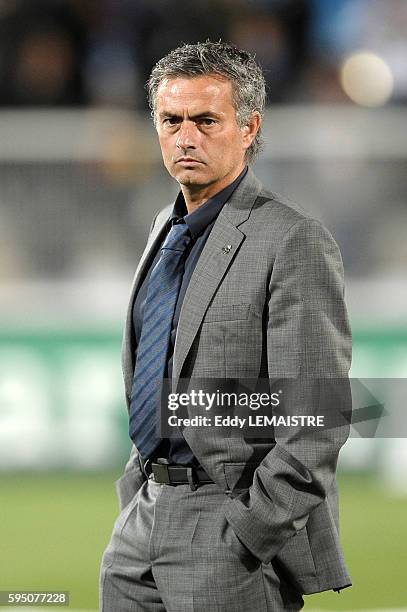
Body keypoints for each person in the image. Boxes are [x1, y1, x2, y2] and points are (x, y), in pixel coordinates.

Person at [99, 41, 352, 611]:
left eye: (206, 120)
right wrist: (139, 490)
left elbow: (317, 417)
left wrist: (248, 530)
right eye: (171, 120)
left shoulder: (292, 239)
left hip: (227, 526)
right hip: (141, 520)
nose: (185, 137)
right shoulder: (165, 225)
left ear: (248, 127)